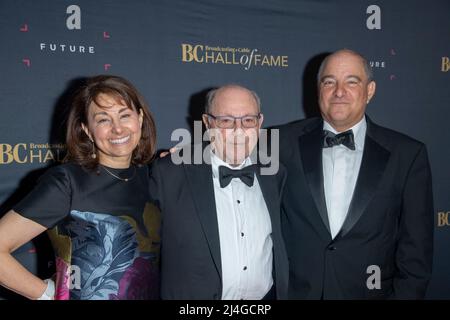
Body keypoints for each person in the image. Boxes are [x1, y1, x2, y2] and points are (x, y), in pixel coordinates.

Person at [276, 49, 434, 299]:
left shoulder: (407, 154)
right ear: (319, 90)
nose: (339, 92)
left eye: (351, 81)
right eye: (329, 82)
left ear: (370, 91)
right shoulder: (279, 143)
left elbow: (416, 252)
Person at [0, 75, 160, 300]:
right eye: (103, 120)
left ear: (140, 119)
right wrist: (47, 294)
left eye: (125, 116)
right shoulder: (68, 182)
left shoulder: (155, 176)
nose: (117, 129)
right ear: (86, 129)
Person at [150, 84, 288, 299]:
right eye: (226, 121)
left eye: (248, 120)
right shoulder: (170, 173)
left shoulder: (275, 173)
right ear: (207, 123)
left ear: (259, 123)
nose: (238, 131)